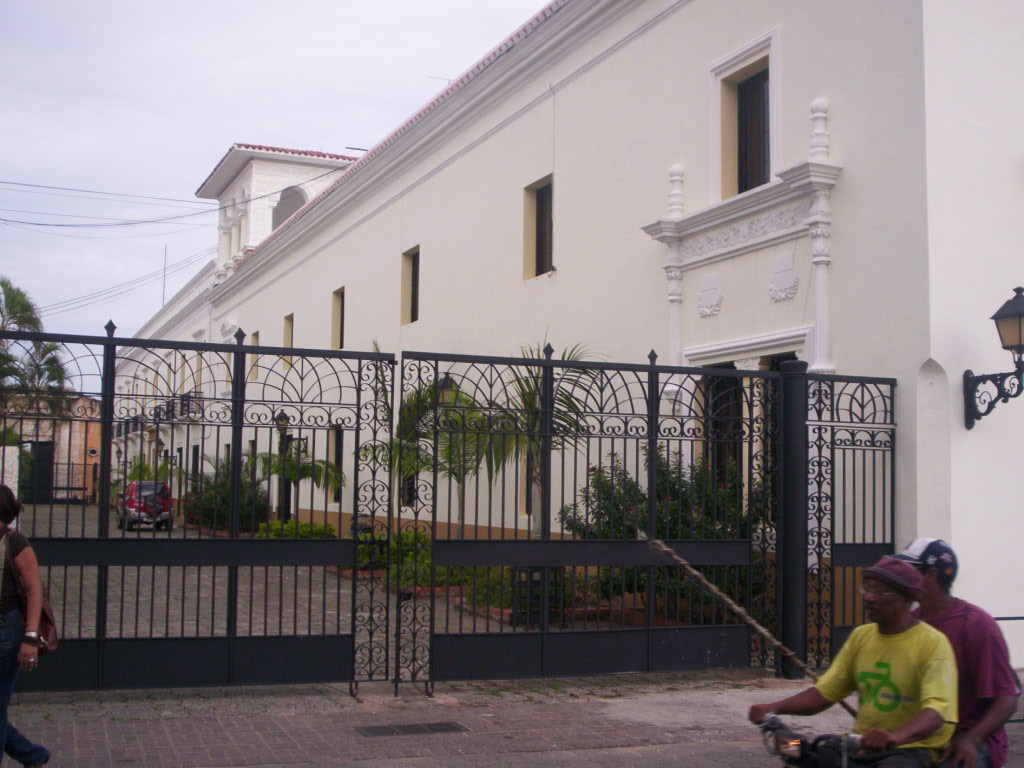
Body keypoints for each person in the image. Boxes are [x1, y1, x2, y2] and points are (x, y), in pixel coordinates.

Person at [749, 557, 957, 767]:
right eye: (867, 589)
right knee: (792, 750)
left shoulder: (932, 644)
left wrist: (895, 738)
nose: (869, 597)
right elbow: (826, 692)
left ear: (907, 599)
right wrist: (772, 708)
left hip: (910, 750)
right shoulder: (861, 636)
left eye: (881, 592)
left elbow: (936, 712)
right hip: (861, 745)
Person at [894, 539, 1020, 768]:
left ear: (930, 575)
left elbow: (1007, 698)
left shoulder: (976, 625)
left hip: (967, 738)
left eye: (909, 571)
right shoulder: (911, 623)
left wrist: (973, 739)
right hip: (924, 736)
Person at [0, 486, 49, 768]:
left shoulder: (14, 542)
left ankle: (31, 755)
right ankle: (31, 755)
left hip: (5, 631)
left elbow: (33, 589)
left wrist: (31, 637)